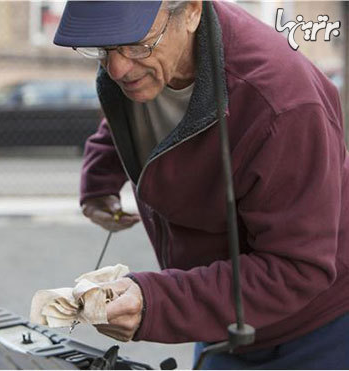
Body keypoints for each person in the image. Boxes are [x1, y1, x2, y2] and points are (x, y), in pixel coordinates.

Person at [53, 1, 349, 369]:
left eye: (135, 45)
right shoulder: (149, 59)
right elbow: (127, 114)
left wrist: (156, 301)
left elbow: (297, 268)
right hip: (216, 313)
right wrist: (100, 180)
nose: (116, 68)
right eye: (102, 49)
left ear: (192, 11)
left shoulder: (281, 106)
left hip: (316, 330)